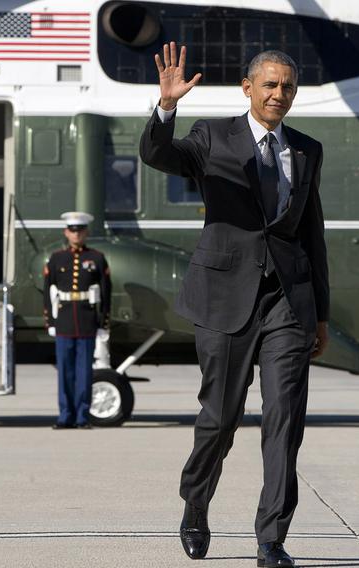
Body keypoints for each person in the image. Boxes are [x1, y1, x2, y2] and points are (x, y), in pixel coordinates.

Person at [139, 43, 329, 567]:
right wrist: (166, 109)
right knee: (220, 418)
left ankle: (271, 538)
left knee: (285, 421)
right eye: (269, 84)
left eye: (287, 86)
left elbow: (312, 234)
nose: (279, 94)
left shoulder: (308, 150)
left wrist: (322, 314)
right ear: (248, 88)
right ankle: (195, 503)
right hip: (225, 296)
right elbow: (159, 155)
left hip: (288, 303)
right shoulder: (212, 135)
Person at [42, 212, 112, 430]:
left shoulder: (97, 258)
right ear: (66, 232)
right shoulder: (56, 259)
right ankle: (65, 415)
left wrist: (103, 322)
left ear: (86, 232)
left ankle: (82, 416)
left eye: (80, 230)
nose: (76, 234)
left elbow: (107, 292)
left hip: (86, 321)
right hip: (63, 321)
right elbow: (47, 291)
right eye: (72, 230)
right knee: (65, 372)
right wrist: (50, 321)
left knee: (84, 372)